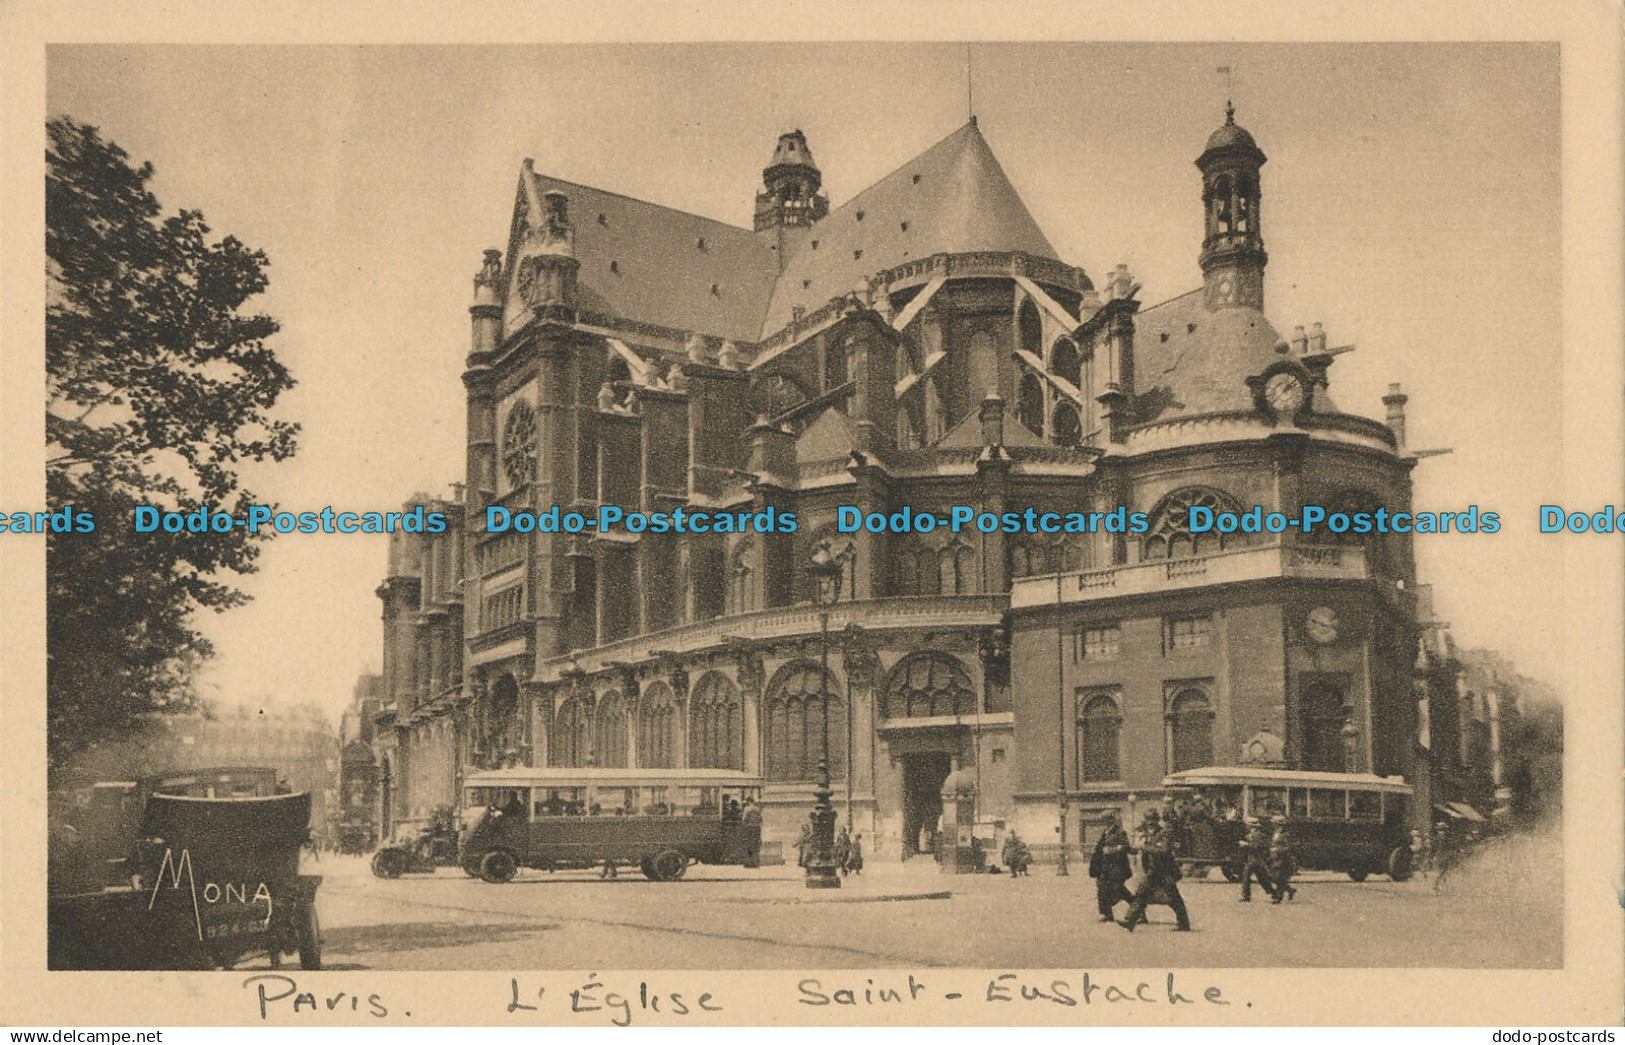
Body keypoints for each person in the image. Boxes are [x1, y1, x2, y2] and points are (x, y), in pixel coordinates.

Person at [1121, 809, 1191, 932]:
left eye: (1152, 820)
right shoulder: (1148, 834)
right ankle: (1130, 921)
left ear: (1157, 820)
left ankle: (1184, 923)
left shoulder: (1164, 833)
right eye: (1148, 819)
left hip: (1164, 871)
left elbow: (1163, 850)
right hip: (1152, 871)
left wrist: (1144, 847)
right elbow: (1141, 849)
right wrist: (1129, 848)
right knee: (1141, 894)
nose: (1150, 822)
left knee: (1174, 898)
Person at [1089, 811, 1135, 922]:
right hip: (1104, 866)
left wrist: (1113, 850)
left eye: (1104, 820)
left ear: (1111, 820)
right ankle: (1106, 914)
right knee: (1102, 888)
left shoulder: (1120, 832)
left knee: (1119, 890)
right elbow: (1100, 848)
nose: (1103, 822)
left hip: (1117, 867)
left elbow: (1126, 846)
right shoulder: (1105, 832)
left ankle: (1138, 909)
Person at [1237, 816, 1280, 903]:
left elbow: (1257, 847)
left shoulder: (1259, 835)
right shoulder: (1250, 835)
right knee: (1261, 879)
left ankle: (1246, 896)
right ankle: (1273, 893)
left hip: (1257, 860)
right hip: (1253, 860)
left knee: (1248, 877)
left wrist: (1245, 845)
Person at [1268, 816, 1296, 903]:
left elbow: (1288, 847)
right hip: (1274, 858)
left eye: (1274, 822)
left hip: (1283, 859)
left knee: (1278, 876)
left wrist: (1277, 849)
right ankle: (1289, 890)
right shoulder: (1274, 833)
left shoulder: (1286, 834)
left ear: (1278, 824)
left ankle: (1278, 897)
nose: (1272, 824)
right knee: (1274, 877)